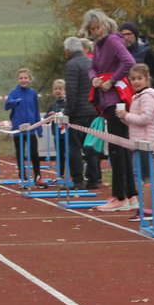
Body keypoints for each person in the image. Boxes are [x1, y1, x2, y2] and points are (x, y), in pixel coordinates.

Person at [84, 10, 139, 211]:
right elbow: (92, 66)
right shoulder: (98, 44)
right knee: (120, 147)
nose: (95, 32)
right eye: (92, 29)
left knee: (117, 148)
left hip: (116, 100)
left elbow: (129, 62)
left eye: (97, 28)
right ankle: (130, 195)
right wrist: (94, 78)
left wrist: (112, 80)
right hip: (107, 99)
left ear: (105, 25)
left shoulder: (113, 41)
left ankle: (120, 196)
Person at [118, 62, 154, 219]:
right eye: (133, 79)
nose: (136, 82)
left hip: (145, 142)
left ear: (147, 78)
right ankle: (144, 208)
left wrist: (127, 115)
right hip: (138, 142)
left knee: (146, 177)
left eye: (139, 78)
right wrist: (124, 118)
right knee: (138, 175)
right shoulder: (137, 97)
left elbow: (145, 118)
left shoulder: (147, 97)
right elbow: (135, 122)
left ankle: (148, 209)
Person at [62, 36, 102, 191]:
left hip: (78, 113)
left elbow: (71, 91)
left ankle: (78, 180)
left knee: (74, 147)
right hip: (94, 111)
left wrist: (67, 112)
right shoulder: (91, 62)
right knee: (91, 146)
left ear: (68, 50)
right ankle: (94, 179)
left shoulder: (71, 65)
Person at [3, 68, 42, 181]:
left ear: (30, 79)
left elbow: (36, 110)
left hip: (31, 128)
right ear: (17, 80)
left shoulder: (33, 93)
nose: (23, 80)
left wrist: (39, 129)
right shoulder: (14, 92)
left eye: (25, 78)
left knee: (34, 153)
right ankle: (22, 176)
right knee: (20, 153)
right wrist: (15, 101)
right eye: (21, 78)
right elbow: (6, 106)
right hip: (18, 129)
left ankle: (38, 176)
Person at [119, 22, 154, 98]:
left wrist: (150, 92)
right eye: (122, 35)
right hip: (122, 95)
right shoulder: (116, 52)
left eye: (129, 34)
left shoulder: (145, 51)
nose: (126, 37)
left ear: (135, 35)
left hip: (142, 96)